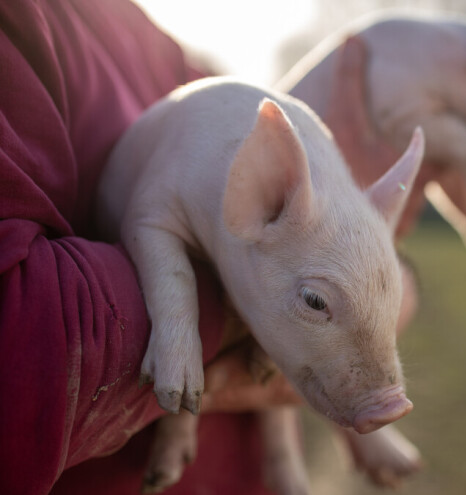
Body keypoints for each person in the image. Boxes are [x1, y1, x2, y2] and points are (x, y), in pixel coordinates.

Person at [0, 1, 412, 493]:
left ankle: (282, 463)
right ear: (260, 200)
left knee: (281, 321)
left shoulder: (169, 57)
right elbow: (150, 220)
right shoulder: (229, 173)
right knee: (277, 314)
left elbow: (306, 286)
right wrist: (178, 330)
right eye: (317, 300)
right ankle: (245, 451)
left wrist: (400, 284)